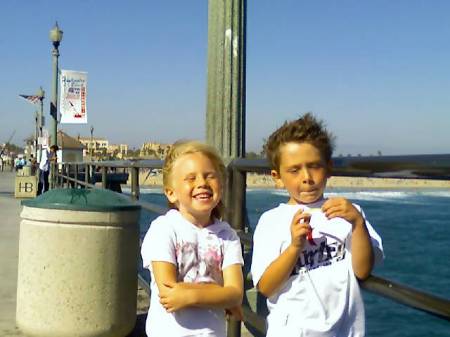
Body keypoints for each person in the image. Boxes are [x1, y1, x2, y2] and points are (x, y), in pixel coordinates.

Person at [251, 113, 384, 337]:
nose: (306, 177)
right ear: (277, 176)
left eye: (314, 166)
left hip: (345, 330)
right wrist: (294, 247)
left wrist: (358, 224)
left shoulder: (350, 213)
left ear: (329, 167)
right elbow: (265, 287)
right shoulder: (271, 221)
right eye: (294, 170)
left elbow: (362, 270)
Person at [141, 140, 244, 337]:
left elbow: (236, 293)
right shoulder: (164, 229)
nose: (202, 183)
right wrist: (220, 295)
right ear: (171, 193)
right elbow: (168, 294)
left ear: (221, 186)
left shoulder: (228, 236)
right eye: (190, 178)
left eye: (210, 176)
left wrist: (190, 295)